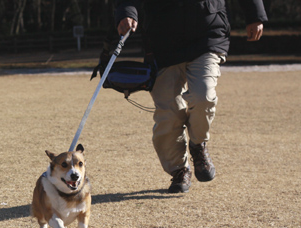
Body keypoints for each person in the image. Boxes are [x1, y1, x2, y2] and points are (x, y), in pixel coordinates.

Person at [115, 0, 268, 193]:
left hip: (208, 32)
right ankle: (179, 170)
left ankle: (198, 145)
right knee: (168, 113)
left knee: (203, 95)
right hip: (162, 39)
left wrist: (255, 15)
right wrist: (126, 12)